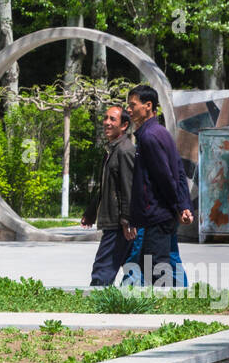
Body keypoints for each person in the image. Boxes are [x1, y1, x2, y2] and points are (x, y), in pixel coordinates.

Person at [119, 84, 193, 287]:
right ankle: (177, 303)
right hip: (160, 215)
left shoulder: (149, 137)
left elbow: (166, 178)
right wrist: (183, 204)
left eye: (133, 105)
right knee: (161, 264)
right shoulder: (160, 132)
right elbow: (178, 170)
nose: (129, 110)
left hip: (156, 216)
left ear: (148, 106)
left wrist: (179, 207)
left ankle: (166, 313)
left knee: (157, 270)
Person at [80, 105, 136, 286]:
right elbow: (105, 186)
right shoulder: (112, 150)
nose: (106, 123)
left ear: (124, 125)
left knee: (102, 269)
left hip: (117, 223)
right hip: (113, 220)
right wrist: (90, 212)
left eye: (112, 119)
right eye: (105, 118)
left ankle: (95, 305)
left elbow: (128, 187)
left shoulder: (125, 150)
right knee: (132, 266)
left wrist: (127, 219)